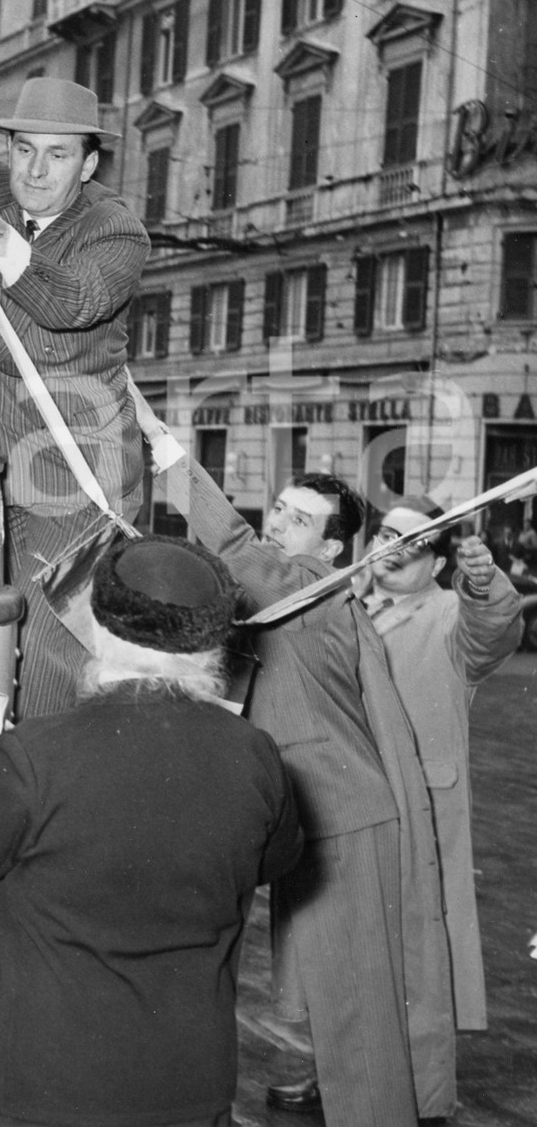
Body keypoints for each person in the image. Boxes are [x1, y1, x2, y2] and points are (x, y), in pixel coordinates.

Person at [0, 535, 303, 1127]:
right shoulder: (255, 755)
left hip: (41, 1089)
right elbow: (277, 859)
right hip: (189, 1088)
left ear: (101, 629)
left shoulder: (37, 756)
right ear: (210, 644)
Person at [165, 467, 456, 1126]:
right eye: (276, 508)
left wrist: (172, 465)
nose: (276, 523)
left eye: (297, 519)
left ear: (330, 549)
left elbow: (239, 550)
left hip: (345, 815)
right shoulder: (281, 597)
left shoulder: (313, 589)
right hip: (313, 815)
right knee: (337, 998)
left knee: (357, 1008)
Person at [0, 4, 150, 718]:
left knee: (51, 673)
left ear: (88, 163)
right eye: (23, 151)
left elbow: (66, 310)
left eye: (57, 156)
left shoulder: (116, 232)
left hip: (75, 488)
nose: (35, 172)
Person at [356, 497, 522, 1030]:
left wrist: (482, 584)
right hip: (352, 800)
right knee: (354, 937)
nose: (392, 549)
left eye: (413, 542)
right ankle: (347, 1066)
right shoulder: (346, 608)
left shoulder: (451, 614)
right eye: (386, 534)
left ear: (439, 565)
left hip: (419, 808)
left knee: (420, 945)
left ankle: (423, 1094)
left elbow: (493, 628)